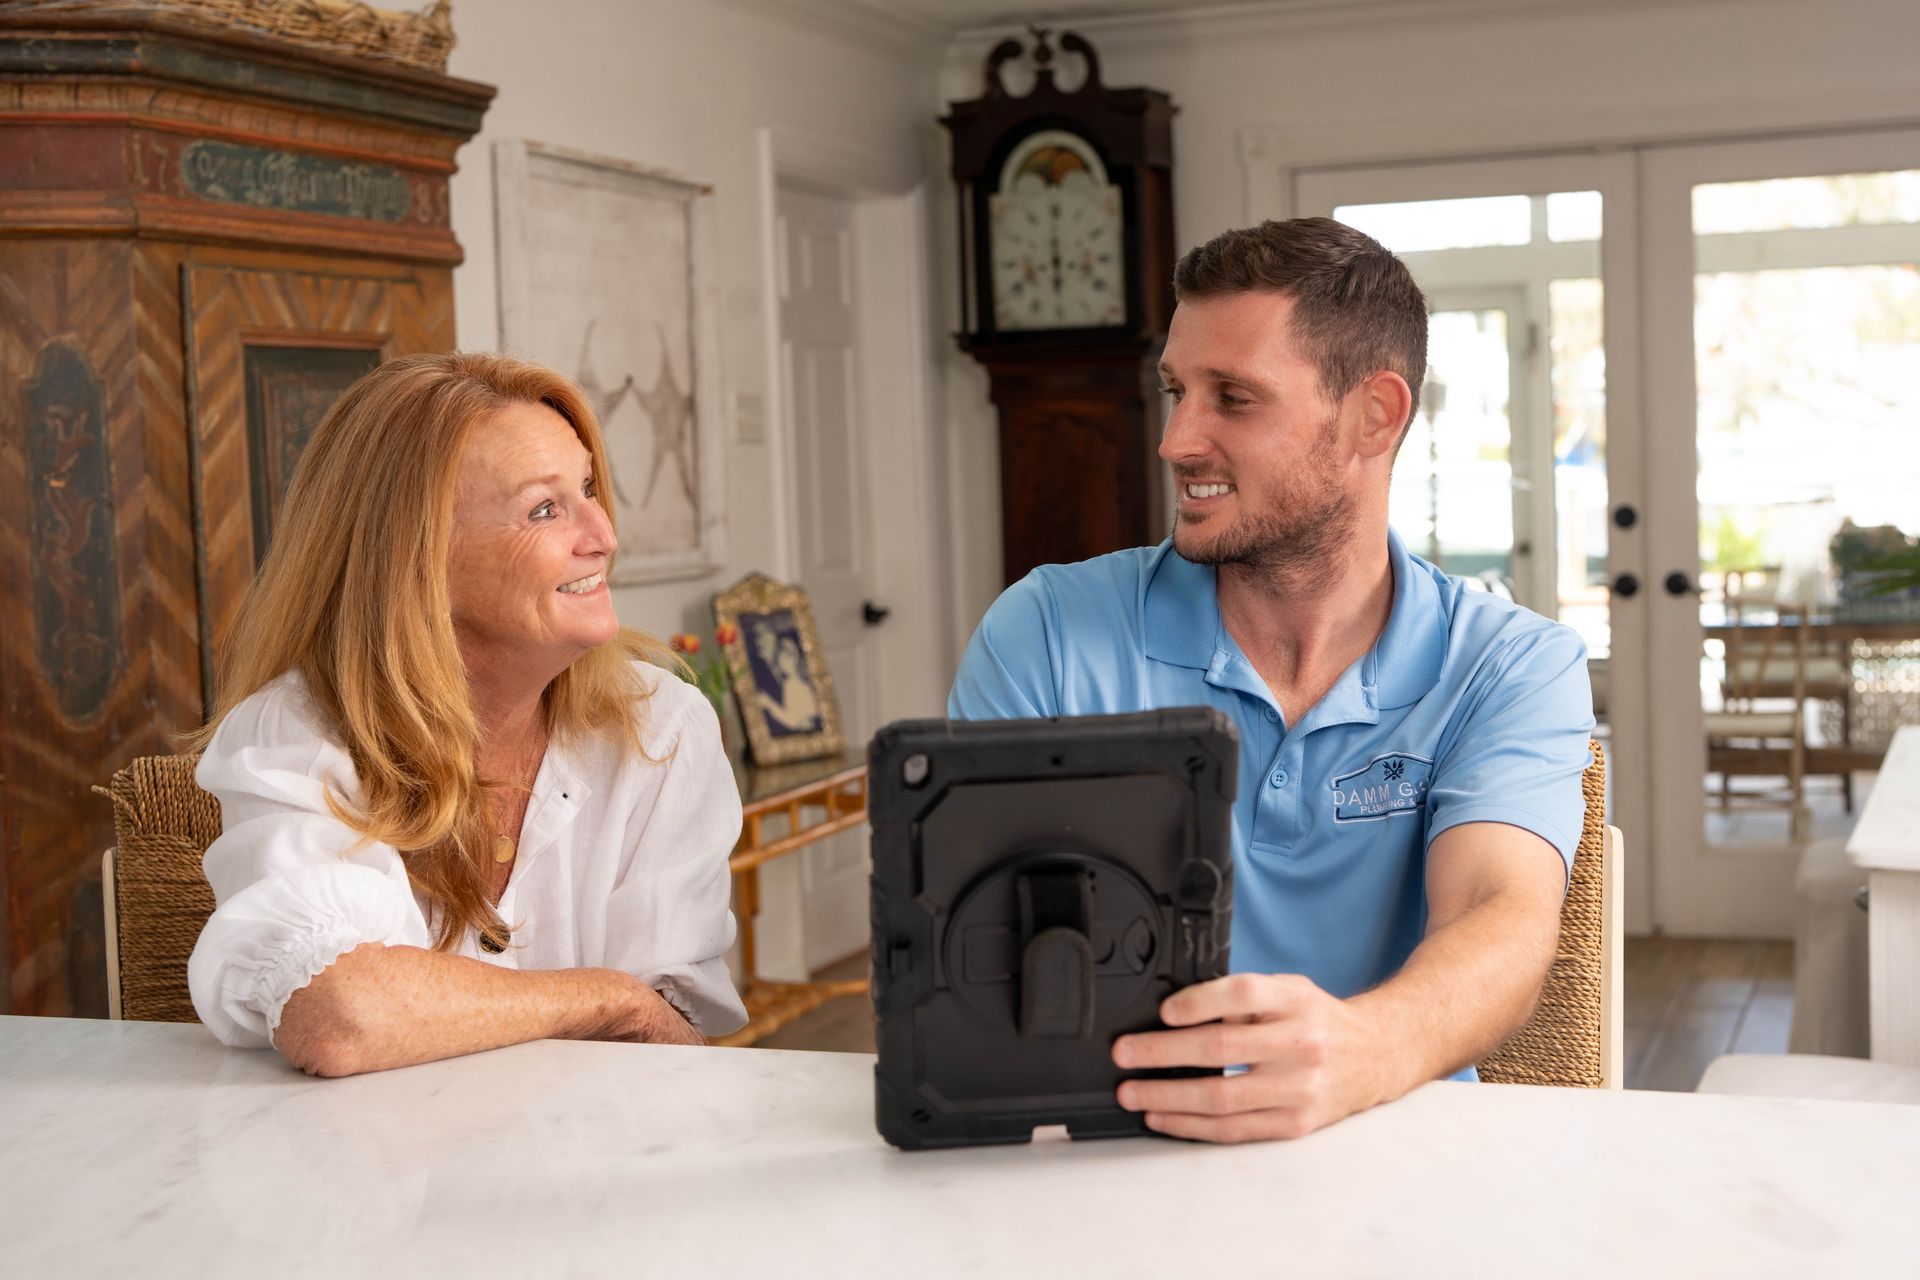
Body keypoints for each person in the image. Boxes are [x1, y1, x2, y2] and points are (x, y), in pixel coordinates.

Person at [949, 218, 1595, 1142]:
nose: (1177, 440)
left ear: (1374, 415)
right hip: (1116, 1157)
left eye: (1233, 399)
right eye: (1176, 391)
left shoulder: (1510, 662)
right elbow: (976, 945)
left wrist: (1358, 1052)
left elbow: (1501, 918)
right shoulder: (1047, 631)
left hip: (1404, 1154)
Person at [185, 352, 746, 1077]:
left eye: (587, 489)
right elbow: (343, 1015)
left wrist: (628, 1013)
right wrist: (611, 998)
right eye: (545, 509)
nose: (602, 535)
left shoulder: (661, 726)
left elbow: (675, 1046)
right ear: (416, 560)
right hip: (379, 1174)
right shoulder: (296, 733)